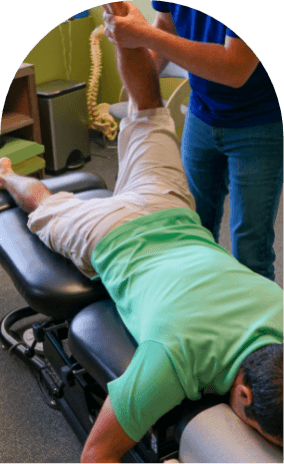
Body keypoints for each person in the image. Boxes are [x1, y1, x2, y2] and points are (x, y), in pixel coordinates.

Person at [0, 3, 282, 462]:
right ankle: (7, 175)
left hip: (172, 211)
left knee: (148, 112)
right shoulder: (174, 358)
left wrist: (136, 34)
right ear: (245, 397)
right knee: (46, 205)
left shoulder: (279, 306)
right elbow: (97, 454)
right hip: (113, 234)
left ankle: (123, 18)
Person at [102, 1, 283, 282]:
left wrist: (143, 35)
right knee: (193, 228)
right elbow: (165, 23)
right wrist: (128, 46)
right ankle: (204, 310)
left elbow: (236, 67)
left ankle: (261, 325)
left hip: (259, 122)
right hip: (201, 112)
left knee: (251, 250)